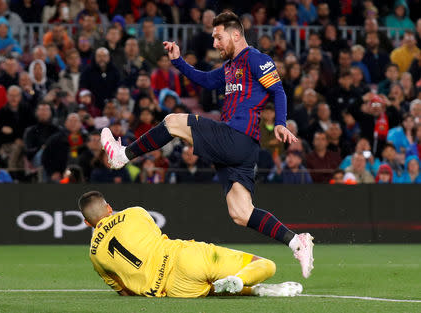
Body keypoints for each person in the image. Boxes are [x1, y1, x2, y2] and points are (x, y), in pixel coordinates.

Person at [100, 11, 314, 278]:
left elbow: (278, 90)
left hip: (237, 138)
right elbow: (203, 78)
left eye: (218, 37)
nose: (215, 44)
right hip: (240, 150)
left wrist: (280, 122)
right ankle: (297, 242)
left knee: (174, 121)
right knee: (241, 212)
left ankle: (122, 154)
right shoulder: (229, 67)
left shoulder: (257, 59)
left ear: (236, 35)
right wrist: (178, 61)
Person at [78, 191, 303, 298]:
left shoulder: (94, 255)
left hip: (173, 290)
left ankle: (254, 291)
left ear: (88, 222)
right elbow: (154, 239)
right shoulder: (134, 213)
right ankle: (243, 280)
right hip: (184, 259)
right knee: (264, 264)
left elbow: (124, 293)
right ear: (108, 207)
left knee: (213, 289)